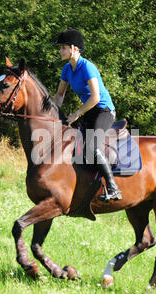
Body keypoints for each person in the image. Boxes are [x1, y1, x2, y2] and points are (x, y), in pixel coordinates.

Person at [54, 28, 122, 202]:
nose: (60, 51)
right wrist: (56, 113)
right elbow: (60, 95)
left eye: (63, 47)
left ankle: (114, 188)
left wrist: (76, 114)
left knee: (93, 146)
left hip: (104, 110)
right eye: (60, 47)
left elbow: (95, 97)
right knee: (66, 134)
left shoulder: (87, 67)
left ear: (74, 48)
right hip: (90, 110)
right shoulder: (67, 69)